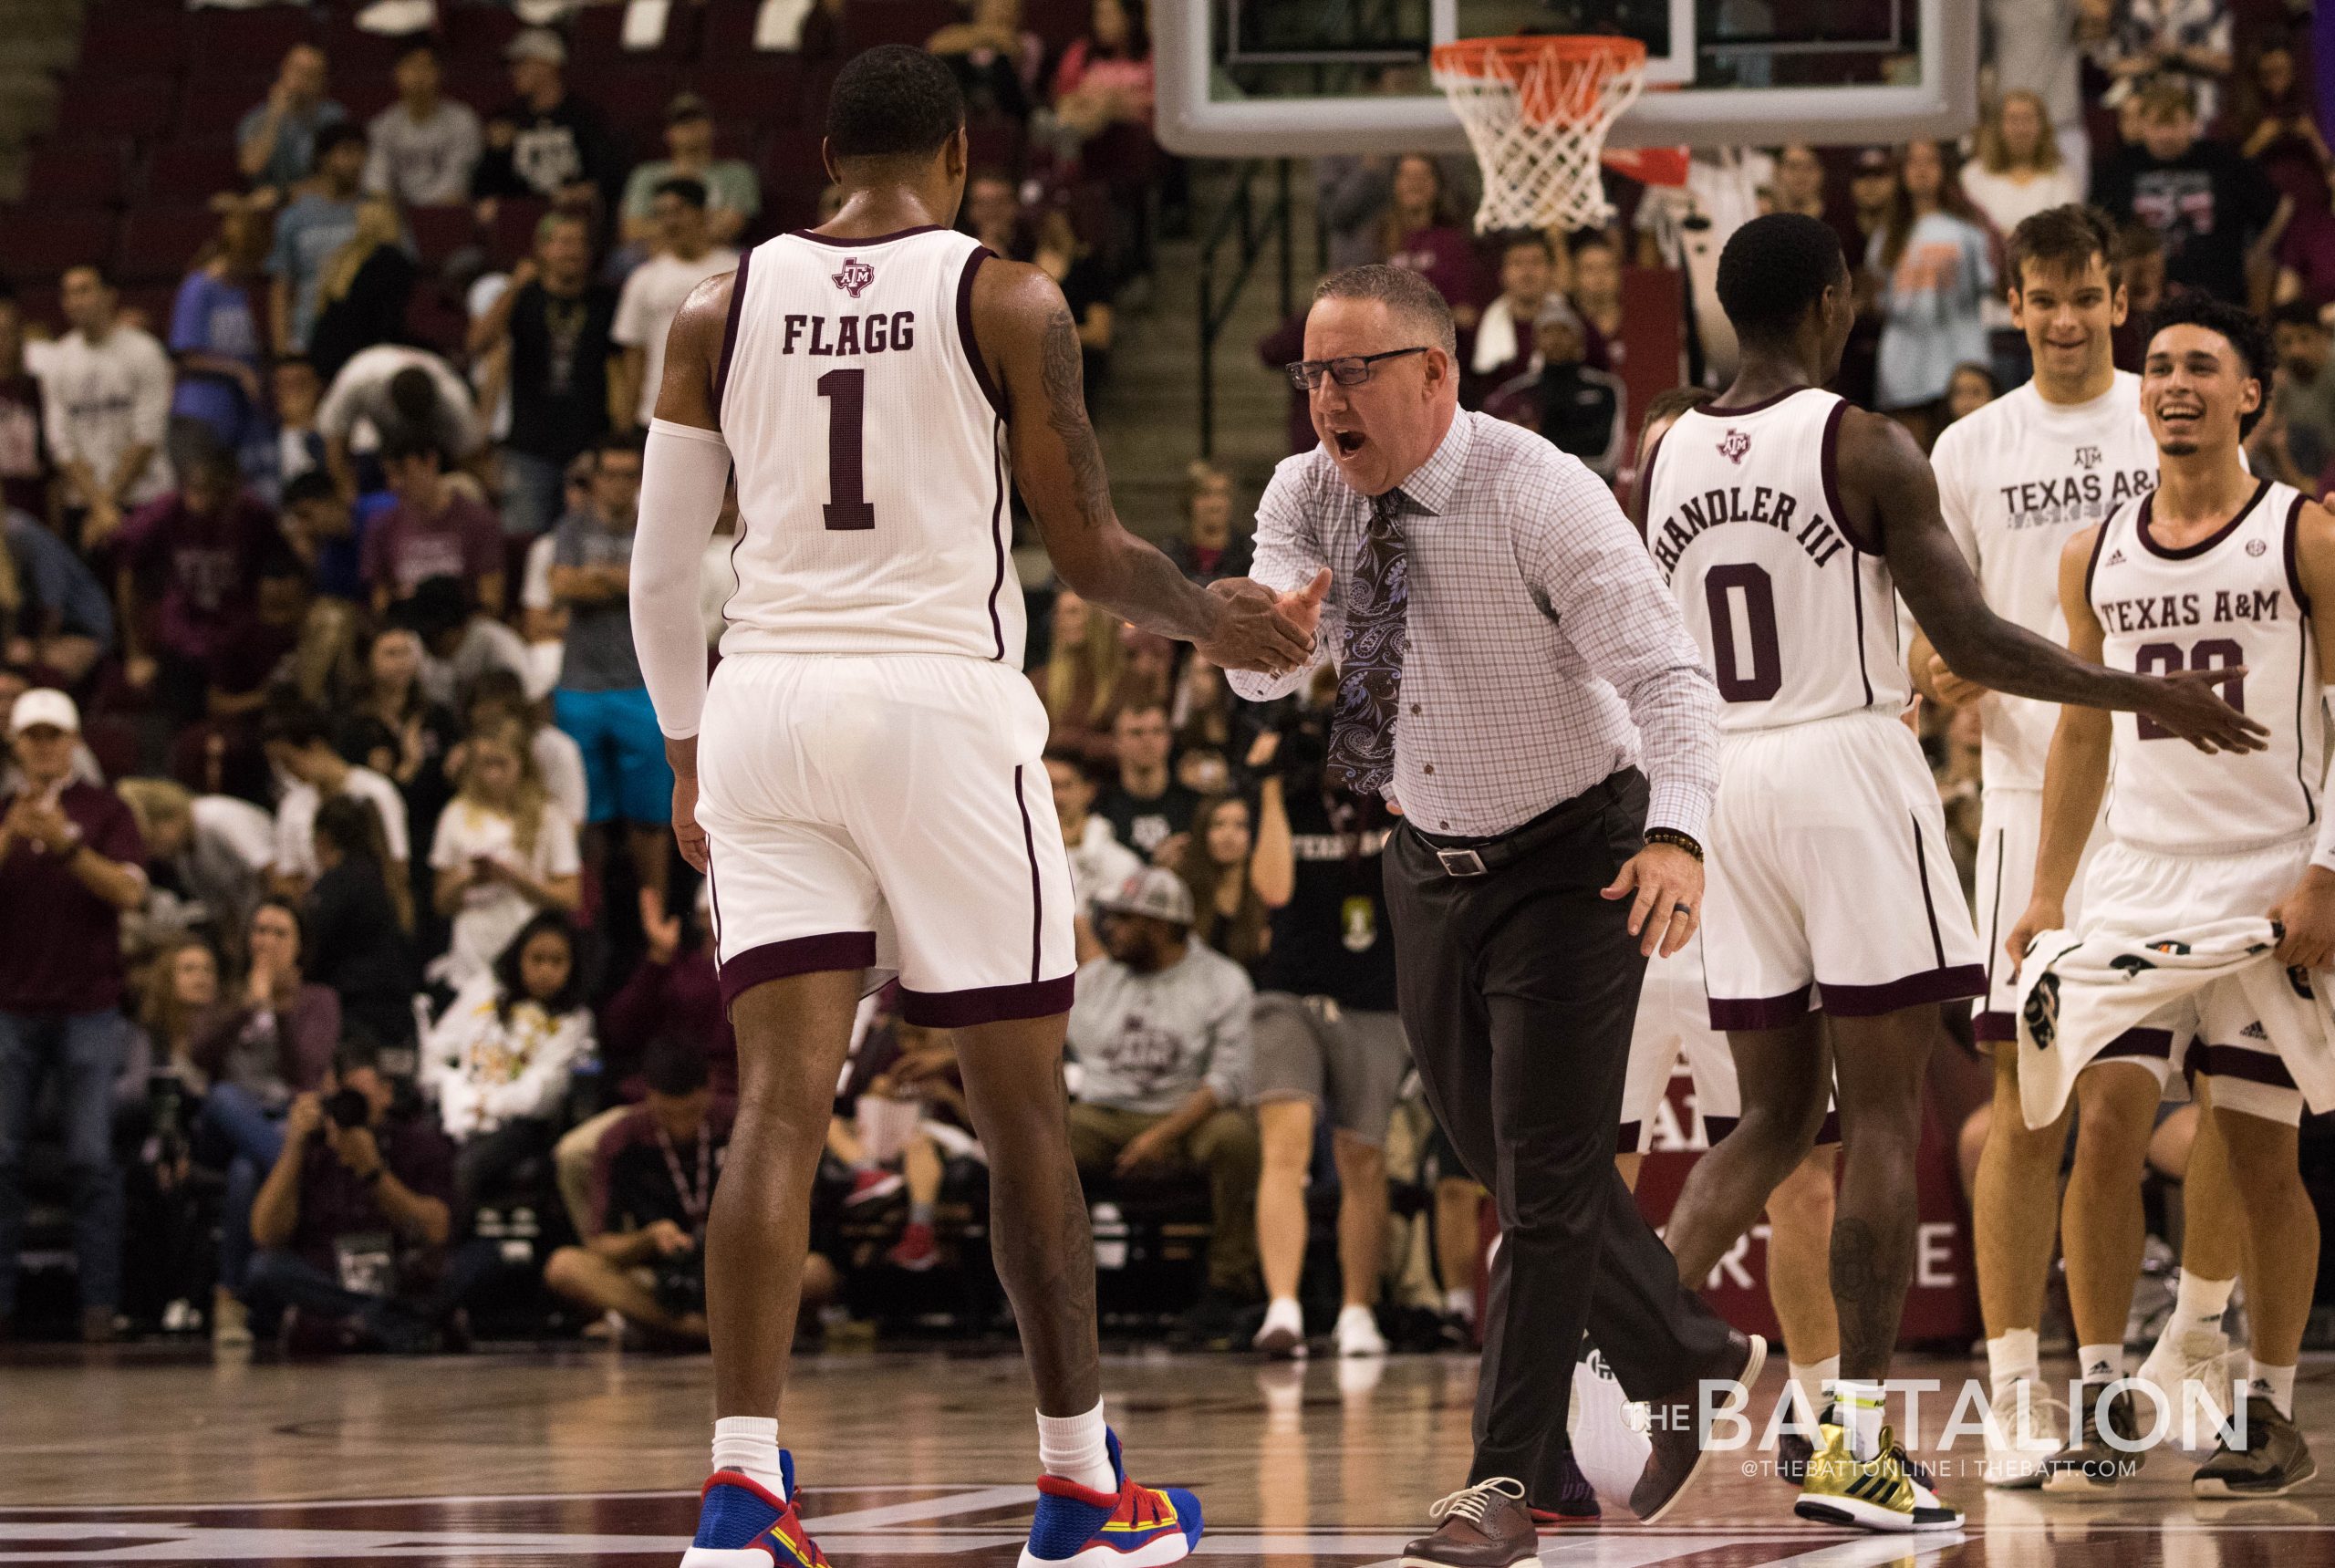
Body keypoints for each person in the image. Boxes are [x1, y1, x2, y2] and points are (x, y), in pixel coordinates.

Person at [625, 43, 1311, 1568]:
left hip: (763, 709)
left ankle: (742, 1491)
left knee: (781, 1111)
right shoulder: (1006, 294)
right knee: (1020, 1117)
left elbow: (661, 573)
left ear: (821, 156)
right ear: (958, 163)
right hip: (935, 709)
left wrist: (685, 753)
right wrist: (1220, 618)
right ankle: (1080, 1488)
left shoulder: (710, 304)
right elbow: (1090, 555)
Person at [1636, 212, 2258, 1529]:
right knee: (1877, 1118)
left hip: (1721, 780)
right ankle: (1855, 1446)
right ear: (1833, 298)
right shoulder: (1865, 440)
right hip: (1845, 774)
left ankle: (1607, 1359)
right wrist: (2136, 686)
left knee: (1765, 1120)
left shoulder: (1664, 449)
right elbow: (1972, 633)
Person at [1225, 260, 1751, 1552]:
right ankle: (1697, 1356)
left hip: (1579, 856)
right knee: (1506, 1164)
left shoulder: (1543, 491)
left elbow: (1674, 681)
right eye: (1312, 374)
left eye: (1353, 371)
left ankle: (1506, 1480)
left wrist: (1680, 833)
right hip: (1429, 860)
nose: (1326, 400)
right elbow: (1259, 684)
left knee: (1552, 1166)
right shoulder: (1304, 493)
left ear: (1434, 373)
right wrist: (1263, 642)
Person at [2006, 294, 2327, 1500]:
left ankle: (2271, 1407)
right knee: (2103, 1127)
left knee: (2256, 1155)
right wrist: (2047, 890)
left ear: (2252, 392)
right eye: (2161, 368)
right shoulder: (2096, 548)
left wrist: (2329, 871)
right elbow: (2083, 729)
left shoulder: (2304, 535)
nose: (2176, 383)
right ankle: (2101, 1395)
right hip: (2134, 881)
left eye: (2203, 365)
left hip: (2266, 876)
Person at [1907, 204, 2173, 1488]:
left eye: (2086, 294)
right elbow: (1922, 627)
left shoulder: (2169, 410)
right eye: (2043, 296)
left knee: (2125, 1113)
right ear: (2011, 305)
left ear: (2120, 298)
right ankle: (2013, 1392)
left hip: (2176, 816)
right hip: (2024, 811)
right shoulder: (1967, 445)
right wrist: (1937, 671)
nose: (2065, 316)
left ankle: (2114, 1385)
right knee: (2028, 1112)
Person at [1245, 691, 1409, 1363]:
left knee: (1362, 1157)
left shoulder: (1392, 796)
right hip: (1290, 989)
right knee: (1283, 1145)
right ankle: (1282, 1308)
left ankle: (1356, 1310)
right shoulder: (1290, 795)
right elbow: (1274, 888)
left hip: (1374, 995)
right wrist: (1270, 789)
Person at [0, 688, 146, 1343]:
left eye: (53, 735)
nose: (43, 747)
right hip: (11, 1005)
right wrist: (13, 835)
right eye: (32, 736)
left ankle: (99, 1304)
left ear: (74, 739)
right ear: (15, 743)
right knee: (0, 1158)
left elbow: (127, 891)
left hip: (88, 1004)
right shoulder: (4, 812)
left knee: (90, 1156)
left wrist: (64, 844)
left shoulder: (105, 810)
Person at [1066, 867, 1260, 1300]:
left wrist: (1161, 1135)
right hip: (1105, 1114)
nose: (1108, 928)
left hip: (1186, 1115)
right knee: (1038, 1142)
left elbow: (1229, 1079)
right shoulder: (1095, 980)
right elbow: (1042, 1044)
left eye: (1122, 919)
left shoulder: (1222, 981)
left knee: (1237, 1138)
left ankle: (1230, 1284)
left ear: (1158, 925)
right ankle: (1055, 1287)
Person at [183, 895, 337, 1345]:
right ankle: (295, 1173)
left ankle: (235, 1297)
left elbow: (308, 1071)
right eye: (260, 931)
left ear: (300, 945)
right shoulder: (229, 993)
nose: (266, 941)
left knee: (246, 1174)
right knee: (225, 1095)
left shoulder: (318, 1001)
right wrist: (249, 1005)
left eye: (279, 933)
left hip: (282, 1121)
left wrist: (284, 1011)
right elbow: (200, 1055)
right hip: (226, 1123)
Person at [244, 1035, 455, 1352]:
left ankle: (354, 1324)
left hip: (400, 1276)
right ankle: (389, 1322)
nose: (348, 1109)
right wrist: (293, 1146)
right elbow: (266, 1236)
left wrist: (373, 1172)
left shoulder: (419, 1143)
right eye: (337, 1098)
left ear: (386, 1092)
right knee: (264, 1270)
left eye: (358, 1098)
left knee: (481, 1261)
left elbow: (435, 1232)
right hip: (327, 1277)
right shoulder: (312, 1148)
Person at [549, 432, 671, 932]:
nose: (620, 484)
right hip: (580, 686)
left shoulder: (657, 525)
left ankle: (656, 920)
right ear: (594, 479)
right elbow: (560, 585)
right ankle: (589, 917)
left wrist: (597, 580)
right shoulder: (572, 527)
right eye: (611, 474)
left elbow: (662, 586)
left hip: (643, 685)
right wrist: (627, 580)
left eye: (629, 474)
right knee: (588, 814)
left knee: (651, 817)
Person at [543, 1036, 739, 1346]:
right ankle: (702, 1333)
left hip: (738, 1272)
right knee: (565, 1266)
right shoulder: (621, 1140)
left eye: (690, 1113)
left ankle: (670, 1332)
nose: (680, 1126)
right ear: (649, 1096)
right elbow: (601, 1244)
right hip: (656, 1278)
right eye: (668, 1114)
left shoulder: (738, 1124)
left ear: (709, 1092)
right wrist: (647, 1239)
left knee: (815, 1272)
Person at [421, 909, 591, 1224]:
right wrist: (454, 1093)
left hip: (521, 1125)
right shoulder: (484, 990)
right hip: (459, 1104)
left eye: (557, 962)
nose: (545, 971)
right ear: (519, 958)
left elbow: (542, 1093)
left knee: (465, 1167)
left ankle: (453, 1257)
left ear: (572, 966)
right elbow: (438, 1048)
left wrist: (487, 1104)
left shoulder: (572, 1021)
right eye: (536, 959)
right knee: (419, 1148)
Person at [472, 212, 619, 544]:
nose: (573, 251)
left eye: (581, 243)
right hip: (529, 446)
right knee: (524, 541)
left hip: (588, 443)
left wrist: (616, 434)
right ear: (542, 249)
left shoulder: (606, 301)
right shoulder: (523, 297)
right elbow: (477, 343)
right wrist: (514, 287)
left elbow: (623, 371)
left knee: (590, 542)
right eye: (564, 242)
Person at [114, 434, 278, 724]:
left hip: (240, 642)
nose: (199, 502)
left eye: (211, 491)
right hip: (182, 642)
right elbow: (126, 566)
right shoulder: (165, 512)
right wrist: (135, 651)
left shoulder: (255, 516)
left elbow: (280, 573)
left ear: (231, 489)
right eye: (193, 490)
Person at [2091, 78, 2288, 310]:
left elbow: (2280, 208)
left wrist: (2256, 255)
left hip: (2218, 295)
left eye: (2173, 124)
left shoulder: (2224, 162)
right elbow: (2096, 229)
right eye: (2156, 125)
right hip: (2143, 300)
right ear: (2142, 125)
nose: (2165, 135)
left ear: (2194, 123)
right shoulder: (2119, 168)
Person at [429, 716, 582, 988]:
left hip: (529, 946)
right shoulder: (455, 813)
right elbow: (441, 902)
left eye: (502, 763)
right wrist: (470, 878)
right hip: (473, 947)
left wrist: (516, 879)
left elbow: (570, 896)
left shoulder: (550, 815)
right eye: (485, 764)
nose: (493, 775)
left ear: (522, 763)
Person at [1870, 140, 1997, 448]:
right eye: (1913, 162)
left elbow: (1991, 284)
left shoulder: (1968, 231)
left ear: (1945, 170)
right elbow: (1878, 300)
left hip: (1960, 360)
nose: (1922, 170)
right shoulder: (1885, 238)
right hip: (1903, 367)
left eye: (1930, 161)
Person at [41, 265, 172, 549]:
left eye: (84, 290)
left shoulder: (145, 351)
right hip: (84, 504)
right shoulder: (58, 360)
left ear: (109, 296)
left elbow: (148, 435)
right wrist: (99, 507)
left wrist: (105, 505)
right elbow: (60, 442)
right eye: (68, 294)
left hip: (143, 497)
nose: (74, 301)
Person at [612, 180, 740, 433]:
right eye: (661, 214)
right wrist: (626, 421)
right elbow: (634, 354)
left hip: (724, 416)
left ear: (703, 213)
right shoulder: (643, 278)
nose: (670, 221)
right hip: (656, 416)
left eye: (678, 211)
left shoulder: (738, 272)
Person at [264, 699, 411, 903]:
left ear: (316, 747)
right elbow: (286, 880)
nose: (288, 772)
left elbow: (396, 868)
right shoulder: (292, 805)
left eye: (289, 761)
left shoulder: (377, 792)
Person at [299, 792, 418, 1045]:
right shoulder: (386, 879)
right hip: (397, 1015)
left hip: (355, 1019)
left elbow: (311, 950)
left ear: (323, 839)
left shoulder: (336, 885)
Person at [472, 29, 621, 215]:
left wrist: (585, 190)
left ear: (549, 64)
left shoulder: (584, 116)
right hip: (521, 216)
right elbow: (484, 188)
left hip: (571, 217)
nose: (514, 72)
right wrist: (497, 153)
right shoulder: (507, 119)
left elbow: (606, 174)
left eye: (523, 63)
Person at [360, 436, 503, 618]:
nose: (395, 484)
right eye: (389, 475)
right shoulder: (381, 524)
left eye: (402, 471)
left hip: (462, 628)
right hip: (407, 626)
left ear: (430, 462)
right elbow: (380, 600)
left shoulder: (478, 521)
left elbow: (491, 601)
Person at [168, 206, 271, 459]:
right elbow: (188, 355)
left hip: (237, 415)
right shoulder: (197, 288)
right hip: (201, 413)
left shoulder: (241, 292)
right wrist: (240, 371)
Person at [268, 125, 372, 358]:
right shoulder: (295, 218)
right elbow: (281, 287)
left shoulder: (376, 214)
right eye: (347, 152)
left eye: (361, 153)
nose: (356, 162)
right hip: (306, 337)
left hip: (362, 340)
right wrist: (282, 350)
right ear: (323, 158)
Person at [619, 94, 761, 252]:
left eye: (696, 119)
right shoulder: (646, 174)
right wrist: (700, 222)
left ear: (711, 127)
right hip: (653, 252)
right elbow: (632, 230)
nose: (689, 127)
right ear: (668, 133)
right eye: (681, 122)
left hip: (716, 251)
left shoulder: (737, 173)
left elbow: (728, 227)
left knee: (745, 262)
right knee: (625, 259)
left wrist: (665, 228)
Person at [306, 197, 418, 389]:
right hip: (362, 358)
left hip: (326, 356)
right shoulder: (391, 261)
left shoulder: (343, 256)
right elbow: (388, 318)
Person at [1044, 753, 1140, 962]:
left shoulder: (1122, 863)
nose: (1057, 797)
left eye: (1066, 786)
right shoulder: (1021, 860)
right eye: (1049, 786)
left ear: (1089, 791)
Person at [364, 44, 483, 211]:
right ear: (397, 73)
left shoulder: (462, 120)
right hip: (397, 218)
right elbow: (376, 182)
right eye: (411, 67)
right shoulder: (382, 125)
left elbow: (456, 183)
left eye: (426, 67)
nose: (419, 75)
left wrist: (424, 214)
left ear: (439, 73)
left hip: (447, 214)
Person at [1962, 92, 2085, 241]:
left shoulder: (2062, 178)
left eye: (2028, 119)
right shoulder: (1973, 175)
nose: (2021, 129)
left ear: (2043, 127)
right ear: (1998, 127)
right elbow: (1966, 230)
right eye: (2013, 120)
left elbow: (2069, 233)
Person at [1171, 793, 1267, 971]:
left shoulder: (1265, 893)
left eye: (1240, 826)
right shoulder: (1183, 891)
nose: (1228, 835)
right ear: (1202, 832)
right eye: (1218, 825)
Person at [237, 43, 346, 195]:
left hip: (317, 200)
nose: (302, 81)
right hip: (268, 204)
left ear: (322, 81)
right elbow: (251, 167)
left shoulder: (333, 117)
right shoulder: (256, 119)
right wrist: (274, 116)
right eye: (298, 71)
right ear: (284, 71)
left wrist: (283, 194)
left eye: (312, 75)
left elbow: (340, 176)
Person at [1032, 588, 1124, 765]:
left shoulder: (1126, 679)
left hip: (1108, 782)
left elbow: (1133, 744)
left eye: (1073, 612)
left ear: (1095, 618)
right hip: (1054, 779)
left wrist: (1076, 741)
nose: (1062, 620)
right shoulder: (1040, 681)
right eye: (1058, 613)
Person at [1095, 701, 1197, 857]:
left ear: (1169, 740)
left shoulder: (1195, 806)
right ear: (1116, 742)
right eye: (1136, 733)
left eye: (1157, 732)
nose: (1147, 741)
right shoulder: (1099, 809)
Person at [1468, 232, 1560, 389]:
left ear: (1551, 272)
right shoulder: (1476, 332)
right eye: (1517, 263)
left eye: (1536, 262)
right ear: (1502, 274)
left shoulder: (1575, 330)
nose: (1527, 272)